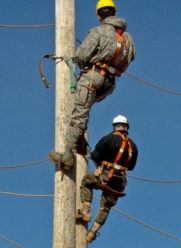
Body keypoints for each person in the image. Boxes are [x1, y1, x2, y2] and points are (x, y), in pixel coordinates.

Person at [47, 0, 135, 172]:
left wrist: (78, 62)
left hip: (93, 79)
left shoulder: (98, 32)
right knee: (83, 109)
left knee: (78, 113)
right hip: (109, 84)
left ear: (98, 15)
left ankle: (67, 156)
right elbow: (131, 57)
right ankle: (79, 140)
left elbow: (81, 55)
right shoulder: (128, 38)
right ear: (114, 13)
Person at [76, 115, 138, 242]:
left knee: (87, 182)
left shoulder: (108, 138)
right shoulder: (133, 146)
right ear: (126, 128)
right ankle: (92, 232)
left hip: (106, 175)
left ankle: (85, 211)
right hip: (120, 182)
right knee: (105, 207)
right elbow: (131, 167)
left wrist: (90, 153)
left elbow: (95, 155)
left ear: (115, 126)